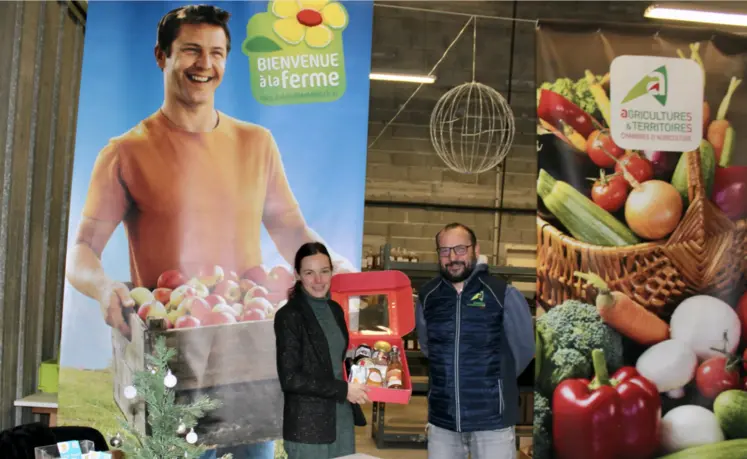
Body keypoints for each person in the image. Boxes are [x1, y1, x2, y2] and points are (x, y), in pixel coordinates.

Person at [64, 5, 352, 459]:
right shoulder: (125, 152)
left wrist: (331, 269)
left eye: (216, 53)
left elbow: (291, 229)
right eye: (191, 51)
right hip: (172, 359)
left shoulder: (257, 143)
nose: (205, 65)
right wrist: (103, 288)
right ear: (162, 56)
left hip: (251, 353)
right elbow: (82, 250)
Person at [415, 223, 535, 459]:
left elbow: (524, 349)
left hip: (492, 421)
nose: (452, 257)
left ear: (475, 250)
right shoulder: (427, 296)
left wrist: (494, 384)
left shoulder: (503, 294)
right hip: (443, 420)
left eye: (460, 249)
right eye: (444, 250)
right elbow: (428, 347)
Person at [273, 242, 369, 459]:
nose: (318, 281)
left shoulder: (334, 309)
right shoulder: (289, 316)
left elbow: (335, 361)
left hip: (341, 418)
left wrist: (364, 365)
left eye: (324, 272)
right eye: (309, 273)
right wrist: (343, 390)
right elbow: (290, 379)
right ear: (298, 275)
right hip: (309, 426)